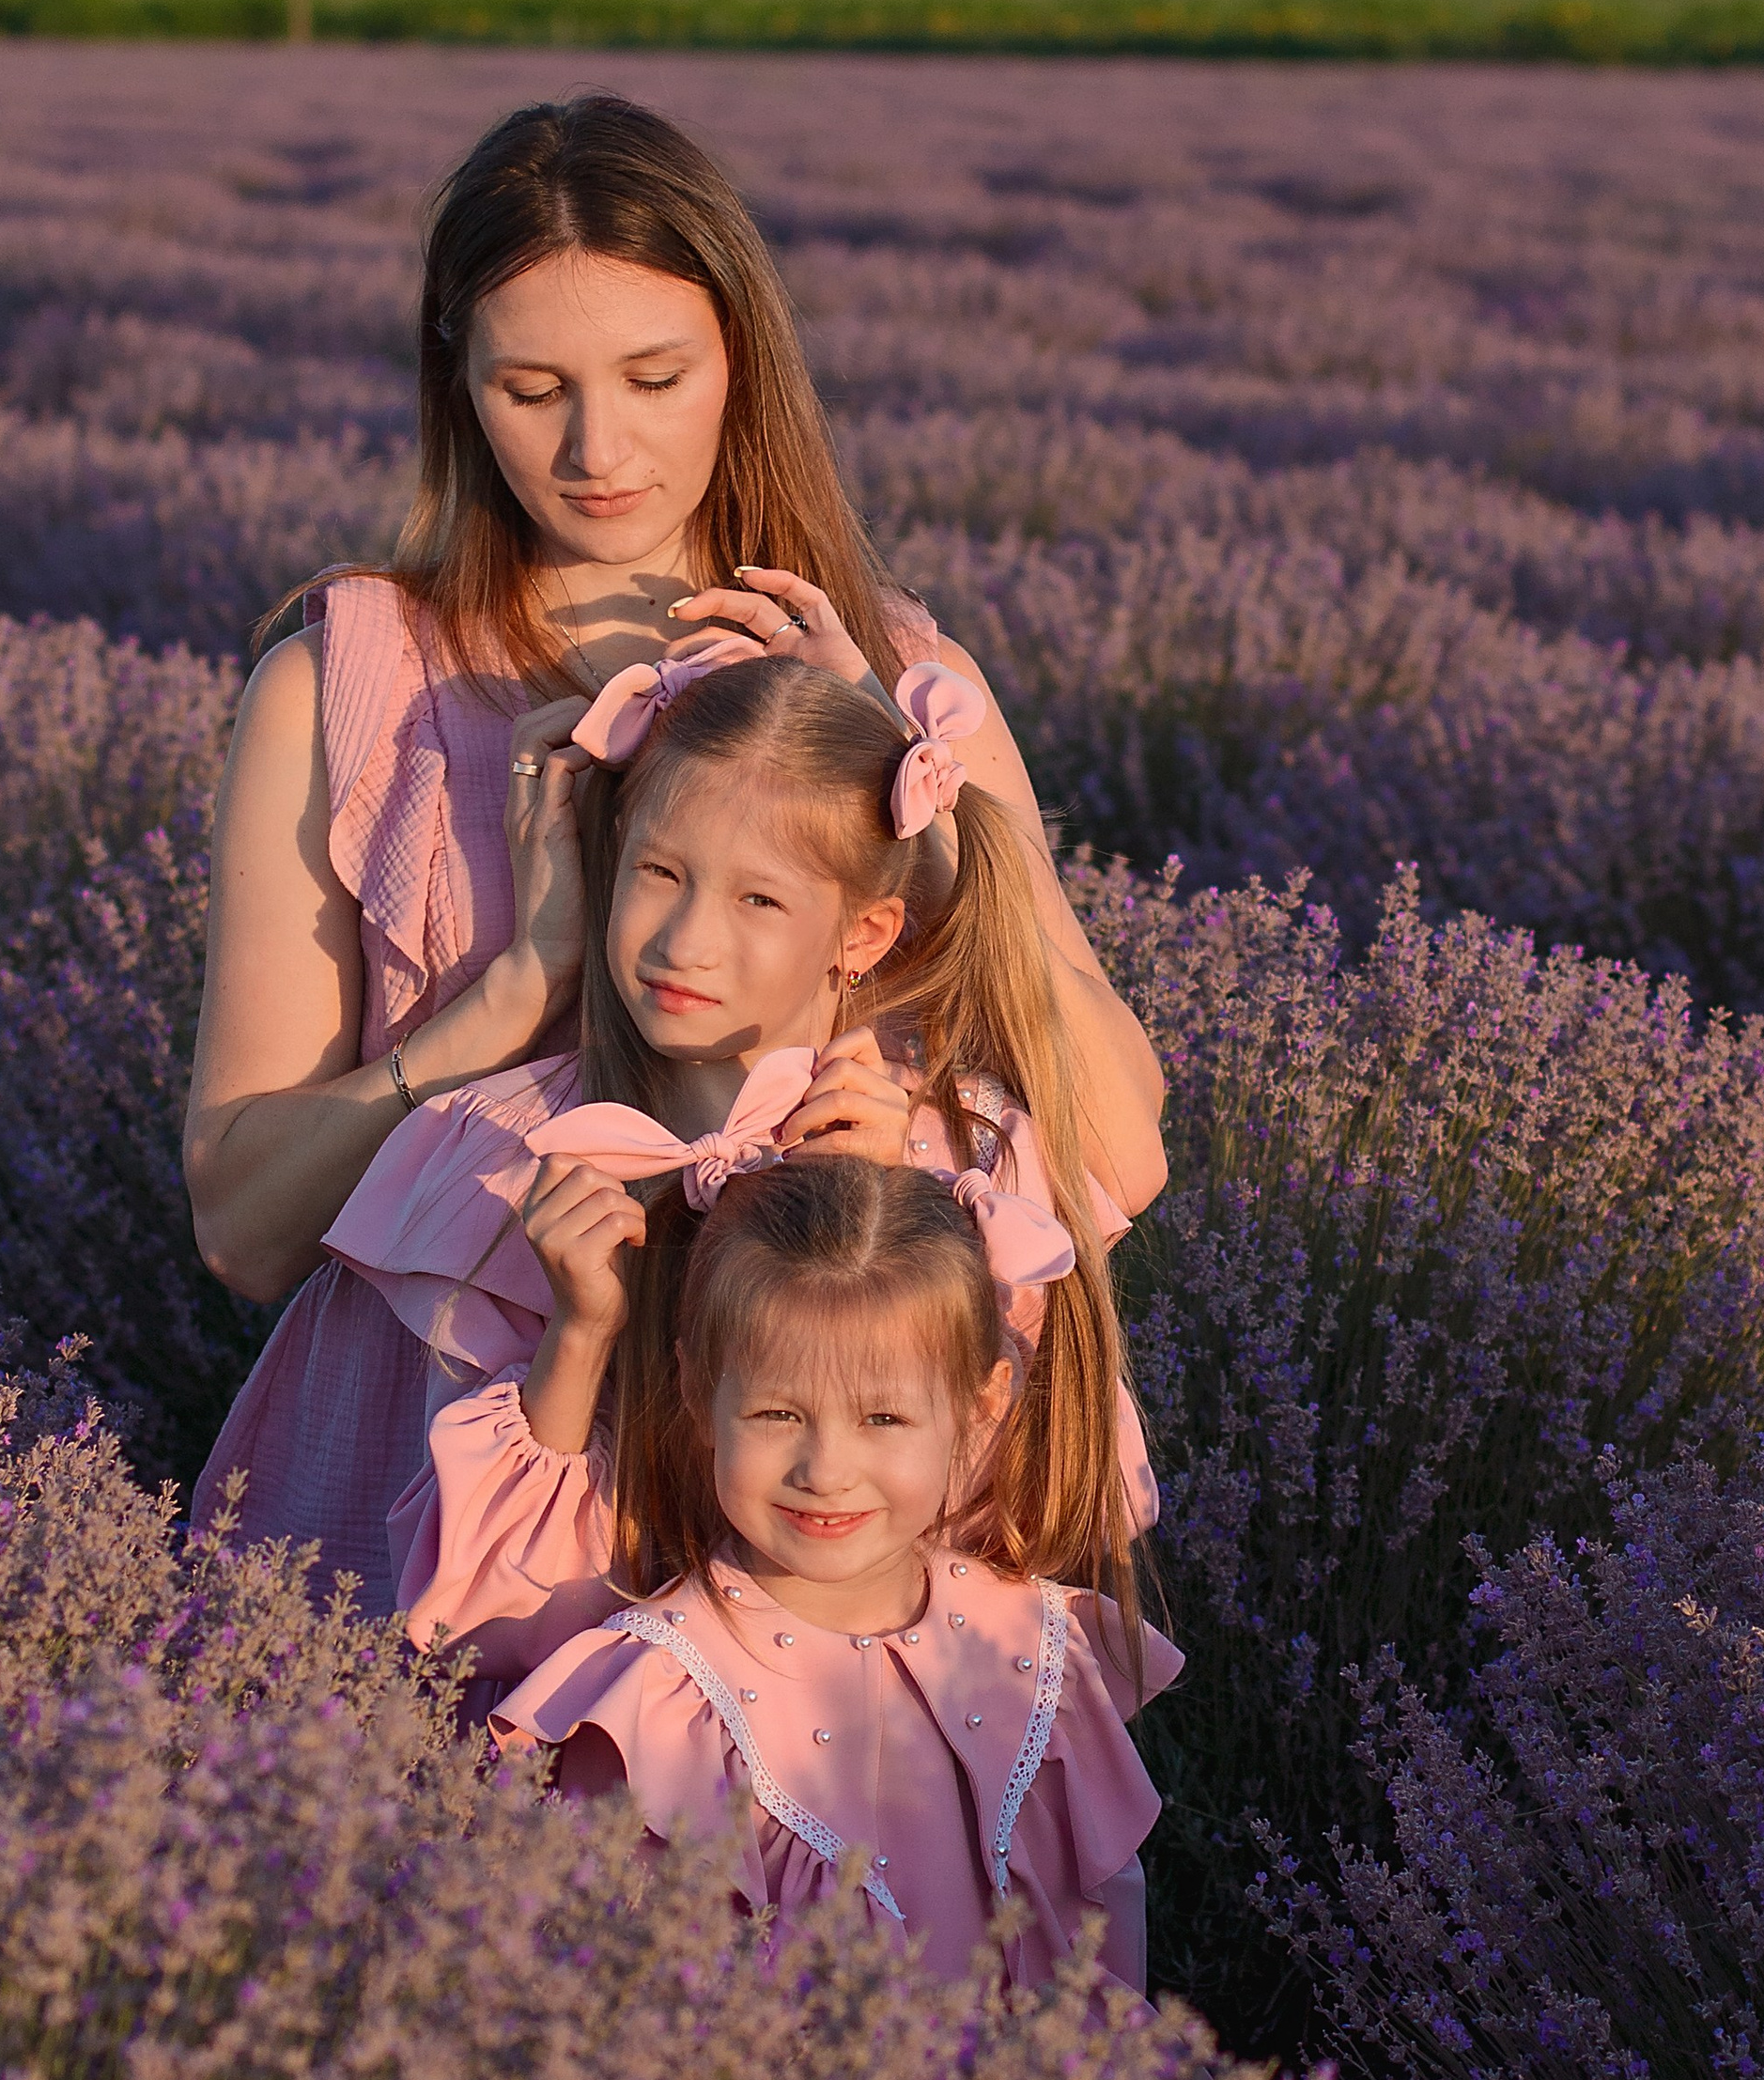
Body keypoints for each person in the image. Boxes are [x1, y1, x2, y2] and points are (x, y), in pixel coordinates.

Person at [183, 92, 1166, 1598]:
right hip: (460, 1489)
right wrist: (516, 994)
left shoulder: (900, 677)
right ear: (454, 383)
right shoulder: (347, 683)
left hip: (830, 1503)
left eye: (656, 376)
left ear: (740, 365)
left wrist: (912, 805)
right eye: (530, 388)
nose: (598, 448)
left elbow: (1118, 1144)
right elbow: (244, 1227)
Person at [329, 644, 1159, 1666]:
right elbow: (500, 1630)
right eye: (659, 873)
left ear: (864, 934)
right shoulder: (510, 1156)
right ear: (608, 859)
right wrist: (582, 1334)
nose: (685, 941)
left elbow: (1046, 1518)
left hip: (905, 1743)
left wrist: (896, 1226)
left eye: (757, 900)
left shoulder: (965, 1154)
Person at [490, 1159, 1181, 1995]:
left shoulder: (1036, 1649)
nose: (826, 1469)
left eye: (883, 1417)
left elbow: (1103, 1947)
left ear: (982, 1400)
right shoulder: (667, 1701)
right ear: (698, 1390)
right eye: (779, 1413)